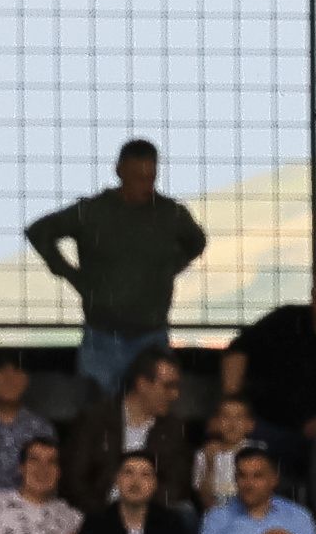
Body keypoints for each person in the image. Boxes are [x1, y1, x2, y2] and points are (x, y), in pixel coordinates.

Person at [25, 141, 209, 399]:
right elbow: (39, 232)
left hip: (151, 333)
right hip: (102, 335)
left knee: (153, 414)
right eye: (138, 178)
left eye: (150, 178)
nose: (145, 185)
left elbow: (197, 242)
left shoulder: (170, 214)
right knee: (99, 416)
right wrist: (70, 274)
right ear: (120, 171)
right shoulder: (92, 212)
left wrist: (167, 269)